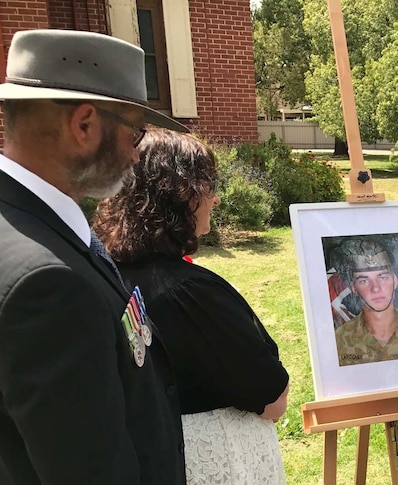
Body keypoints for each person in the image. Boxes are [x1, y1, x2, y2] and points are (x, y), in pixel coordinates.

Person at [0, 29, 188, 484]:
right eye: (136, 132)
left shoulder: (33, 226)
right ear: (84, 125)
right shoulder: (48, 284)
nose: (137, 152)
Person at [91, 128, 290, 484]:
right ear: (177, 194)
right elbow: (273, 399)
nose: (215, 200)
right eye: (208, 186)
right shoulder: (189, 294)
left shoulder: (105, 272)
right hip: (215, 467)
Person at [334, 237, 398, 366]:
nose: (375, 288)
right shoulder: (339, 339)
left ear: (395, 281)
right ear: (354, 288)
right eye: (364, 281)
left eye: (382, 277)